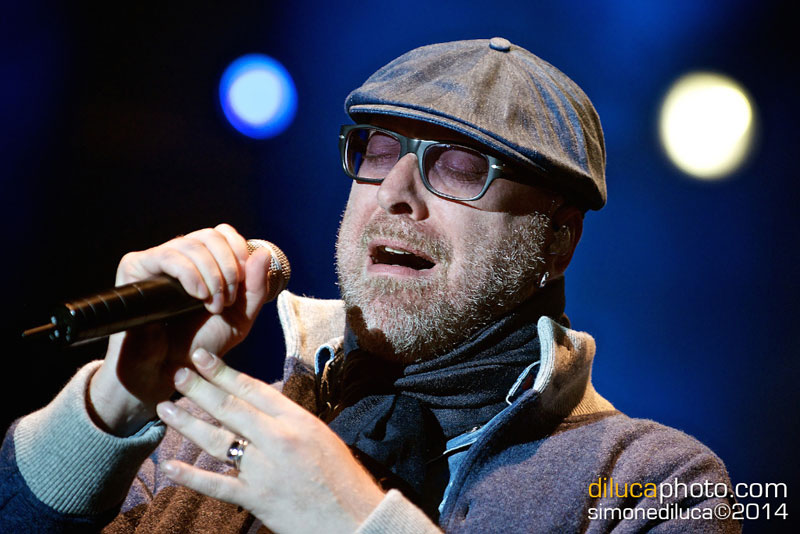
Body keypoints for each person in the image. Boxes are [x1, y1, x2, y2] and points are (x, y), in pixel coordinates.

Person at [1, 38, 740, 533]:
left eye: (459, 167)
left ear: (558, 238)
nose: (396, 191)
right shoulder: (208, 428)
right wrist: (115, 405)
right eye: (378, 152)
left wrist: (353, 520)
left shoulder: (650, 482)